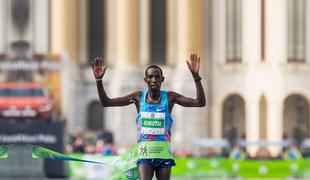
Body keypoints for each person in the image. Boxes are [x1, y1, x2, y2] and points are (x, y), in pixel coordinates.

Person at [92, 53, 206, 180]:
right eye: (150, 77)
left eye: (157, 77)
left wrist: (196, 78)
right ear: (145, 80)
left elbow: (200, 102)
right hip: (144, 154)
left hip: (163, 154)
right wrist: (98, 81)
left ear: (162, 79)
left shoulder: (170, 97)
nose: (154, 80)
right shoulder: (138, 97)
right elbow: (106, 102)